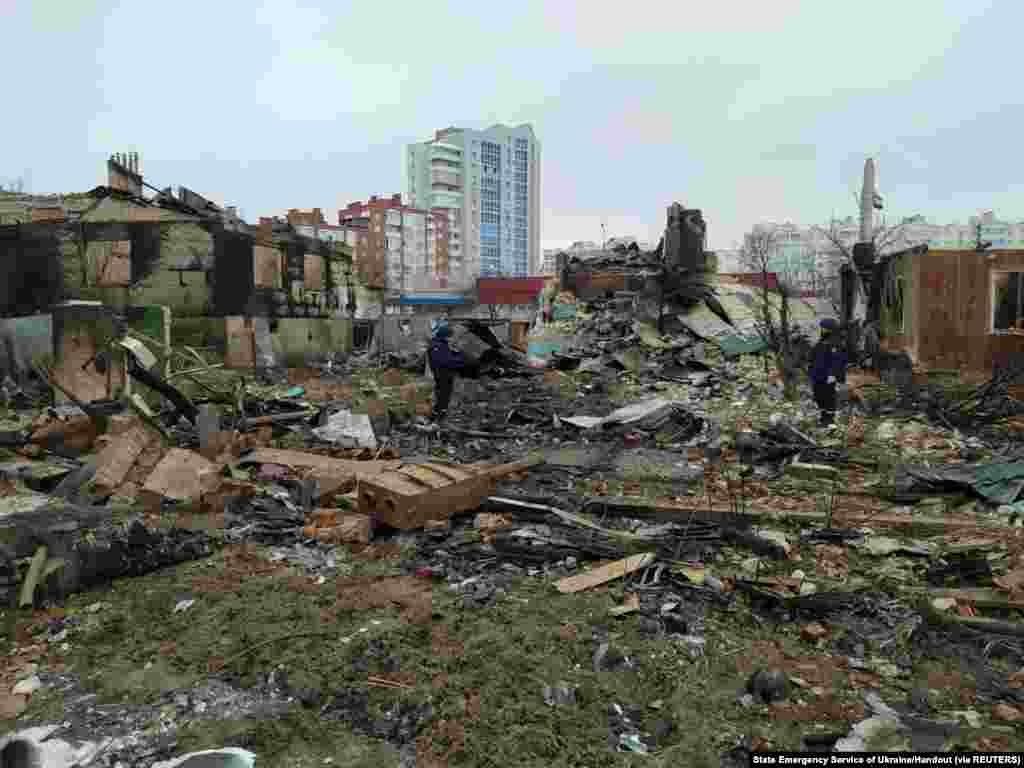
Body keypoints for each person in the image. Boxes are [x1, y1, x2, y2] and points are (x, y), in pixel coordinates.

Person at [809, 318, 848, 427]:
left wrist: (834, 375)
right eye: (822, 328)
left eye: (824, 328)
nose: (822, 330)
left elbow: (839, 361)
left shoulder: (836, 343)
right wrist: (811, 371)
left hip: (828, 377)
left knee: (828, 398)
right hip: (818, 376)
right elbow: (813, 357)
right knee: (818, 396)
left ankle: (829, 420)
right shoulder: (820, 342)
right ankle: (823, 418)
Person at [428, 325, 466, 422]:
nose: (451, 338)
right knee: (443, 397)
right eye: (450, 336)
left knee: (444, 396)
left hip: (445, 374)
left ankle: (438, 415)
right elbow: (446, 361)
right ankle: (437, 417)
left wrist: (456, 353)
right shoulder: (437, 346)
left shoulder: (441, 344)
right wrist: (460, 358)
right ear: (445, 335)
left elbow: (447, 356)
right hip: (442, 375)